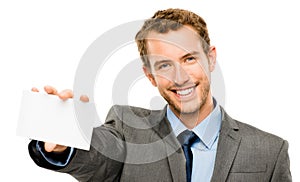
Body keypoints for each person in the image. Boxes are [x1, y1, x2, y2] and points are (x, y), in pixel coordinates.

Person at [28, 8, 292, 181]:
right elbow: (99, 158)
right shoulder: (126, 127)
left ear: (211, 59)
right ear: (150, 75)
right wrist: (65, 141)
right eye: (165, 65)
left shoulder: (270, 150)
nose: (180, 77)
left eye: (189, 59)